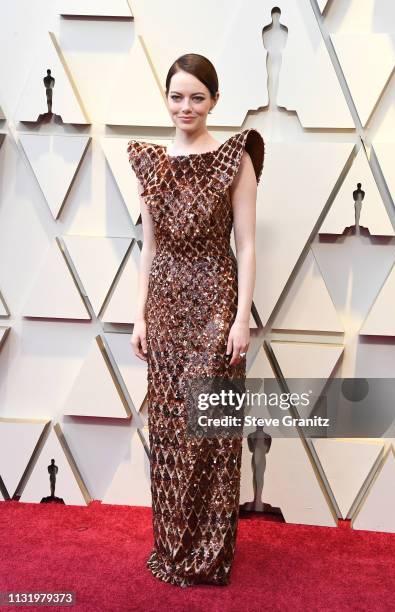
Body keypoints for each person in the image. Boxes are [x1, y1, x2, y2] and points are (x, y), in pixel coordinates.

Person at [127, 53, 264, 587]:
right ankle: (171, 546)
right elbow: (149, 247)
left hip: (215, 298)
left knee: (209, 427)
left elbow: (248, 246)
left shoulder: (235, 158)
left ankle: (208, 554)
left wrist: (240, 319)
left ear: (214, 100)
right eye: (177, 96)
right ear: (167, 98)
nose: (186, 107)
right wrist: (138, 316)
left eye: (197, 97)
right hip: (163, 302)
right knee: (166, 429)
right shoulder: (149, 162)